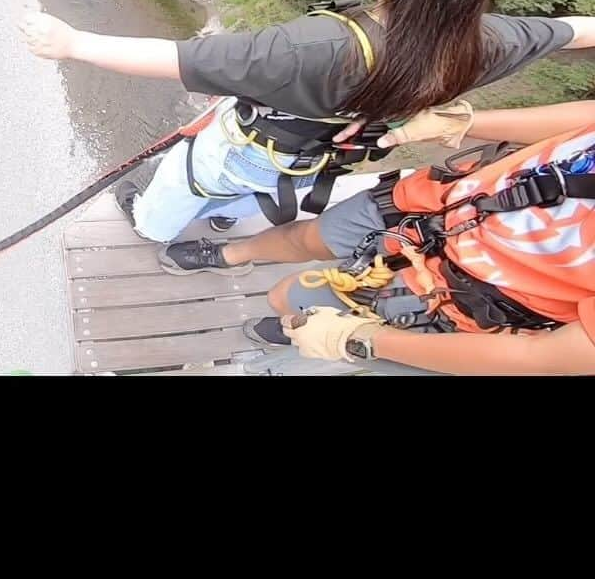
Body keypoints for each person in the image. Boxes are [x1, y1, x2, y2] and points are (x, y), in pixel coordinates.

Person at [20, 0, 595, 270]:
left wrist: (75, 43)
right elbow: (573, 31)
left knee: (184, 177)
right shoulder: (490, 40)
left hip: (252, 143)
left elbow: (183, 61)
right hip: (331, 152)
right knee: (260, 189)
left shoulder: (315, 48)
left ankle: (153, 227)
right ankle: (224, 217)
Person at [247, 100, 595, 375]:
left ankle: (293, 343)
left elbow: (548, 358)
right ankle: (239, 263)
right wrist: (465, 123)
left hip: (452, 305)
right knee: (297, 268)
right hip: (431, 206)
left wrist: (358, 339)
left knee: (290, 300)